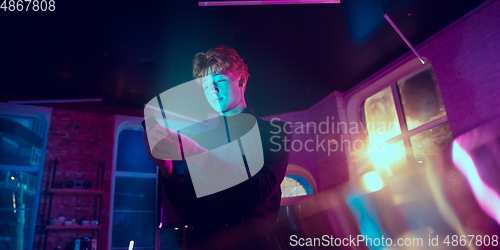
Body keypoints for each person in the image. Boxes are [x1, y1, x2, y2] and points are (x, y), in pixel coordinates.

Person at [143, 46, 290, 249]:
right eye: (205, 87)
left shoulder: (273, 131)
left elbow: (261, 188)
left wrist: (198, 155)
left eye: (219, 81)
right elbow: (189, 211)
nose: (212, 90)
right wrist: (167, 171)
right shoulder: (199, 139)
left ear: (242, 80)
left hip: (255, 242)